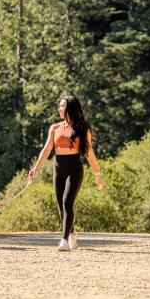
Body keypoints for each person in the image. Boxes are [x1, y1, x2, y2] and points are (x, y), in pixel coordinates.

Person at [28, 96, 104, 251]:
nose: (59, 109)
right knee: (61, 206)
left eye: (62, 106)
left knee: (67, 202)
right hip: (58, 167)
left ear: (70, 108)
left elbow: (89, 153)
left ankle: (63, 240)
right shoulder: (54, 128)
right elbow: (47, 149)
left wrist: (98, 174)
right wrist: (36, 168)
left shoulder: (83, 129)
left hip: (74, 168)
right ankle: (72, 233)